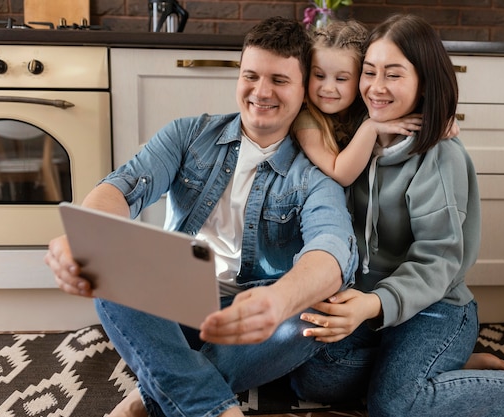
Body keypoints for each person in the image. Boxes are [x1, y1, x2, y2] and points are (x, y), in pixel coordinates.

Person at [289, 13, 504, 417]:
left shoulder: (440, 155)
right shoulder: (357, 137)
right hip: (374, 304)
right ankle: (444, 371)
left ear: (424, 82)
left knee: (394, 406)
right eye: (370, 72)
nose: (376, 87)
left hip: (436, 306)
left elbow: (438, 261)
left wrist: (371, 305)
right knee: (310, 375)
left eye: (393, 75)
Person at [44, 16, 358, 417]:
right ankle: (215, 408)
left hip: (253, 321)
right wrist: (85, 237)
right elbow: (123, 188)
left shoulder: (315, 173)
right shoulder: (189, 134)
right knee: (108, 265)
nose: (261, 92)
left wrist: (278, 300)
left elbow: (331, 251)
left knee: (317, 309)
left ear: (303, 92)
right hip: (174, 307)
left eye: (279, 80)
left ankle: (152, 392)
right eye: (251, 76)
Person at [292, 20, 420, 187]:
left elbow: (409, 108)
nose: (328, 88)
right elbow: (341, 174)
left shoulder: (368, 108)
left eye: (341, 79)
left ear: (361, 78)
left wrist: (444, 121)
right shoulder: (305, 121)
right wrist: (371, 127)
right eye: (319, 76)